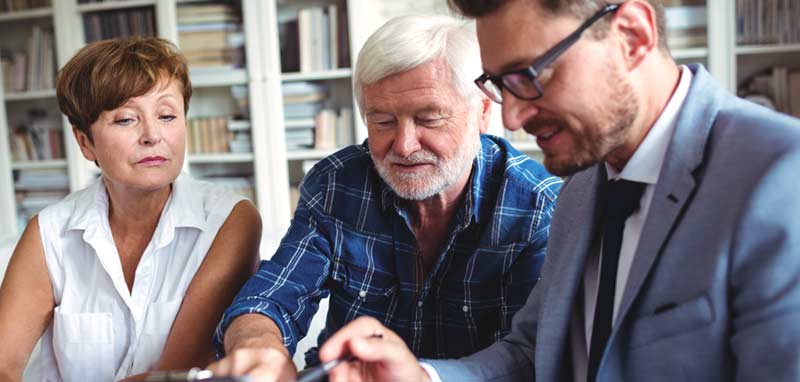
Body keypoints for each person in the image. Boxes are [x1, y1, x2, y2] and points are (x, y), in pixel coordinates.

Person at [315, 1, 800, 381]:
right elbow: (533, 354)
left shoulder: (779, 175)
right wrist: (423, 377)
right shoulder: (581, 190)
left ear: (632, 36)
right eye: (500, 84)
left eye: (531, 76)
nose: (510, 118)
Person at [207, 15, 562, 380]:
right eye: (382, 122)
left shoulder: (539, 208)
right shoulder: (336, 184)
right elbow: (275, 294)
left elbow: (527, 360)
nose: (404, 146)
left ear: (483, 112)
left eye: (429, 119)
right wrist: (258, 344)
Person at [0, 37, 262, 381]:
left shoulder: (231, 221)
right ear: (85, 142)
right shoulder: (48, 232)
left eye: (167, 115)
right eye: (126, 120)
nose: (153, 135)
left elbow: (172, 373)